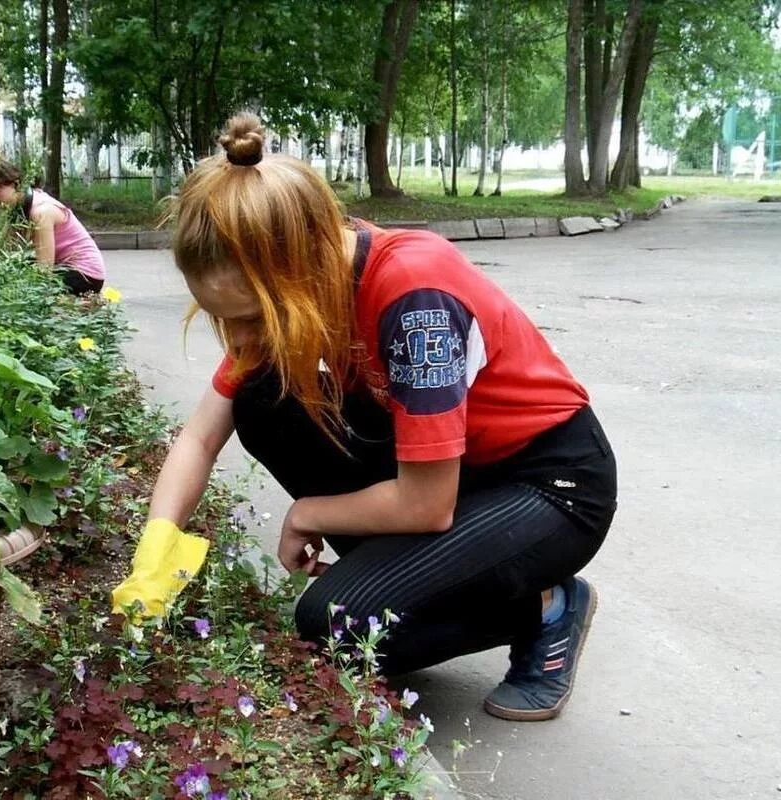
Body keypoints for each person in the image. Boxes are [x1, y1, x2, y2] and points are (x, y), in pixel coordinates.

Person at [111, 112, 617, 722]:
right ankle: (409, 579)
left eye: (251, 317)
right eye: (226, 319)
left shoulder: (415, 300)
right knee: (261, 398)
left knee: (333, 628)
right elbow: (199, 435)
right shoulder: (308, 280)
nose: (240, 336)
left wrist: (309, 513)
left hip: (547, 486)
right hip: (449, 473)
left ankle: (546, 605)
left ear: (303, 266)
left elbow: (428, 505)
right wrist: (155, 548)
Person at [0, 159, 107, 295]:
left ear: (15, 184)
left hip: (85, 275)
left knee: (27, 288)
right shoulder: (20, 208)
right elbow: (1, 254)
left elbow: (44, 270)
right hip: (65, 268)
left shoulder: (41, 212)